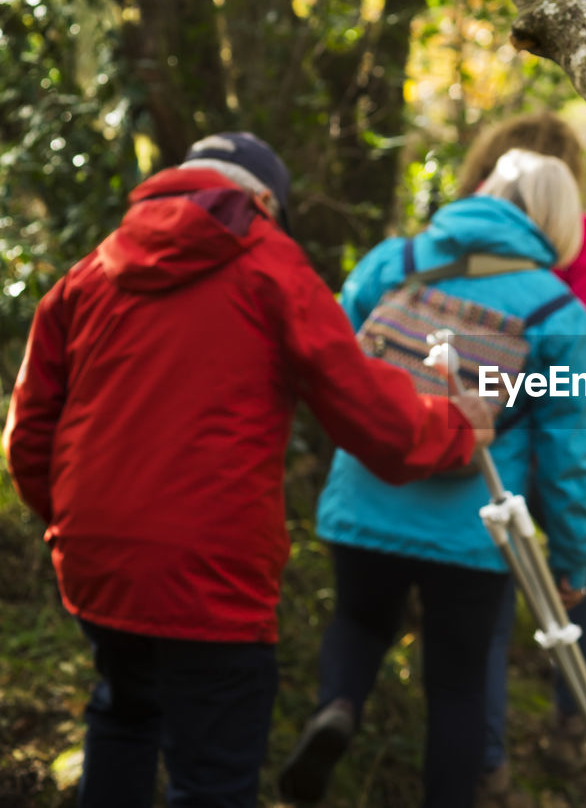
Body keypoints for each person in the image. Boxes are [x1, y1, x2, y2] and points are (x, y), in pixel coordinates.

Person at [2, 131, 493, 808]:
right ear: (263, 199)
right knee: (212, 776)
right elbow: (369, 413)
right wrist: (457, 425)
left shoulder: (87, 275)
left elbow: (27, 433)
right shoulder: (271, 266)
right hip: (211, 570)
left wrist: (73, 524)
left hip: (98, 557)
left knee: (122, 716)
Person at [278, 149, 586, 808]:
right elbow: (570, 453)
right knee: (456, 686)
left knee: (359, 622)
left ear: (483, 191)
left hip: (365, 496)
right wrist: (573, 557)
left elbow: (332, 371)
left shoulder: (391, 262)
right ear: (556, 217)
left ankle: (337, 705)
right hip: (472, 527)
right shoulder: (558, 312)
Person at [455, 114, 586, 798]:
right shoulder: (578, 235)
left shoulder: (453, 227)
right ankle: (574, 724)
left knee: (486, 606)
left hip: (464, 442)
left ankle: (488, 761)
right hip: (550, 433)